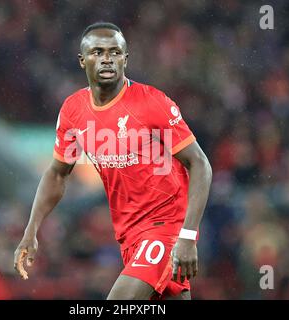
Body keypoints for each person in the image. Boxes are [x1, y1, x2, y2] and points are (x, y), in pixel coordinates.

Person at [13, 22, 212, 300]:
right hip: (129, 236)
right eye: (97, 51)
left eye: (115, 52)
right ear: (82, 61)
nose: (107, 58)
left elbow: (200, 163)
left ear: (125, 59)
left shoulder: (152, 102)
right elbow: (58, 174)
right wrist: (31, 230)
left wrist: (188, 236)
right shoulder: (73, 111)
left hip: (166, 228)